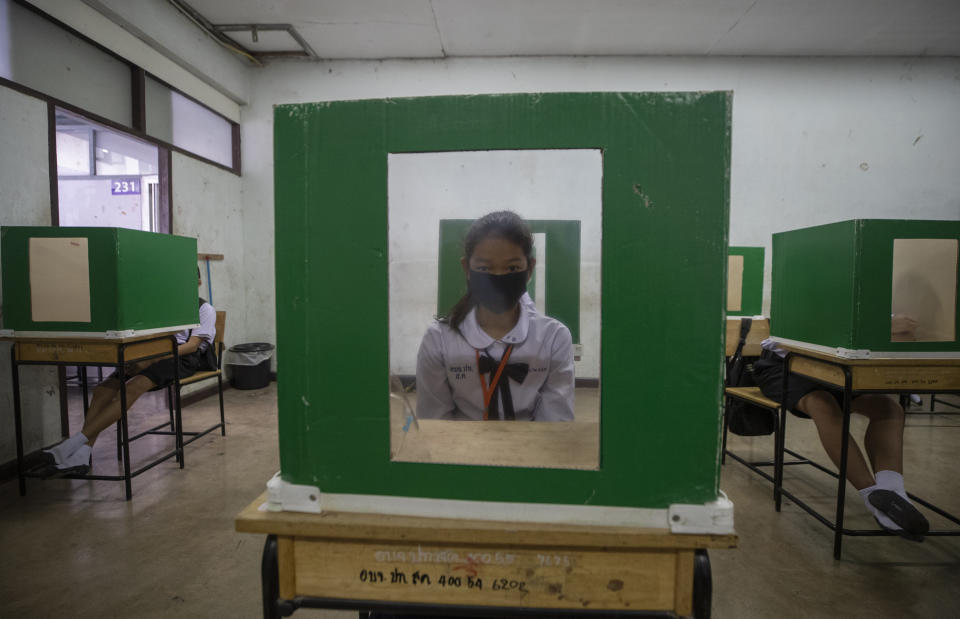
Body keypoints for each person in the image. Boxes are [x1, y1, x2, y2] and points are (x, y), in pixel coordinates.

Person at [39, 267, 218, 477]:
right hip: (154, 354)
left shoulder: (204, 308)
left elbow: (192, 346)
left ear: (197, 283)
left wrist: (153, 358)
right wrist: (142, 357)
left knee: (134, 386)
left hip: (181, 359)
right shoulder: (164, 305)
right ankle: (82, 454)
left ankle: (70, 446)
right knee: (102, 391)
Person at [753, 337, 930, 541]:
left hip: (836, 367)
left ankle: (893, 493)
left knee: (889, 409)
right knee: (823, 404)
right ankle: (873, 497)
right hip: (785, 366)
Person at [415, 210, 575, 422]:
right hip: (460, 451)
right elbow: (435, 423)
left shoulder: (554, 338)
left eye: (512, 267)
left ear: (530, 268)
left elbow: (556, 424)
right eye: (484, 267)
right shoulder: (439, 339)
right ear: (467, 269)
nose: (499, 277)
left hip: (533, 450)